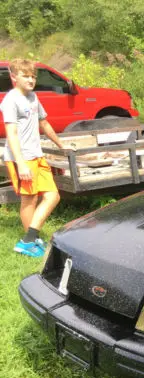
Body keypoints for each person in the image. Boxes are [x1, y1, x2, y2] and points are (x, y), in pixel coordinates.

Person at [0, 58, 69, 257]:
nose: (31, 80)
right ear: (14, 77)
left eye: (33, 76)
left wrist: (61, 144)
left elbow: (44, 123)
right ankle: (29, 242)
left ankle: (29, 238)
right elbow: (11, 134)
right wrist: (21, 164)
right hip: (21, 158)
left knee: (52, 195)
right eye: (26, 76)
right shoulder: (10, 101)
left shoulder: (32, 97)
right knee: (29, 200)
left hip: (37, 156)